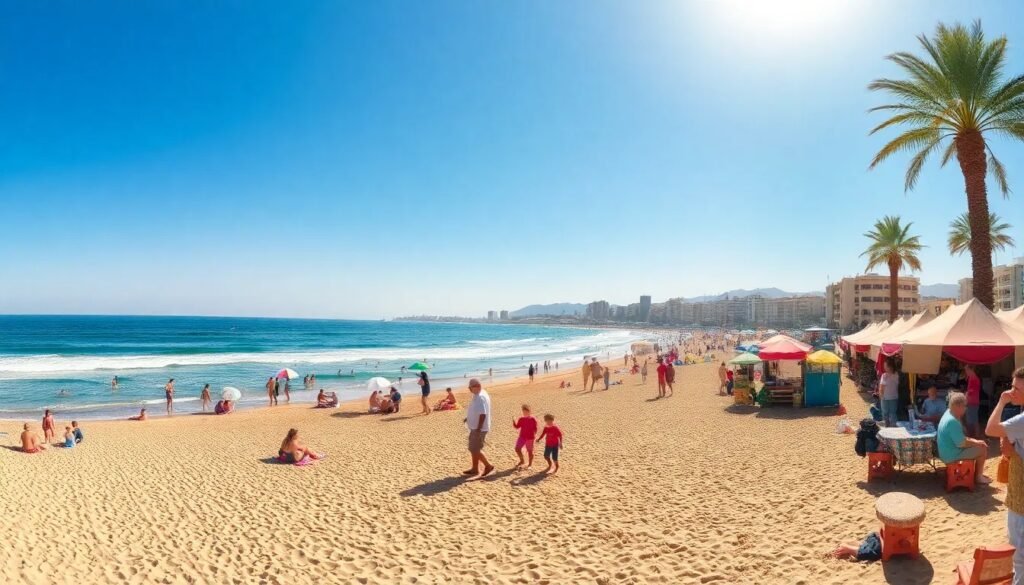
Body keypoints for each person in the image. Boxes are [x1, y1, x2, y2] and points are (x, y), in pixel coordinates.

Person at [984, 367, 1024, 583]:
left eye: (1017, 389)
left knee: (1019, 558)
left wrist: (1001, 402)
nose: (1011, 392)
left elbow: (990, 429)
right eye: (1012, 387)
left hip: (1021, 501)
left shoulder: (1021, 421)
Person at [937, 391, 991, 484]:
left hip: (945, 452)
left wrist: (974, 441)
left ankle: (975, 474)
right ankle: (979, 477)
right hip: (950, 455)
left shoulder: (948, 413)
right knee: (982, 449)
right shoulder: (952, 421)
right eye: (965, 406)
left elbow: (961, 438)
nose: (966, 408)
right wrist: (977, 442)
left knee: (978, 444)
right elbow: (961, 443)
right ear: (958, 406)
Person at [464, 378, 493, 477]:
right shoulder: (479, 394)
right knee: (474, 448)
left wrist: (478, 429)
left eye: (470, 387)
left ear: (477, 386)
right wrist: (468, 418)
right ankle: (475, 468)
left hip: (478, 429)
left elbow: (483, 414)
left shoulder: (480, 397)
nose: (469, 389)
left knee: (474, 449)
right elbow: (477, 410)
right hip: (476, 427)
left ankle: (488, 466)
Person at [513, 404, 537, 468]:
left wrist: (533, 437)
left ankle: (530, 464)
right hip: (522, 437)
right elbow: (517, 427)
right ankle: (522, 460)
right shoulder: (521, 419)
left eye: (526, 412)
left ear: (529, 412)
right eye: (524, 412)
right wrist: (514, 421)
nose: (525, 413)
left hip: (530, 438)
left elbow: (535, 428)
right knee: (517, 449)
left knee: (530, 451)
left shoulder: (533, 419)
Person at [878, 360, 899, 427]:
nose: (884, 367)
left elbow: (881, 387)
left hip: (885, 397)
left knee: (885, 414)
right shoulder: (897, 375)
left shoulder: (885, 375)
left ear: (890, 367)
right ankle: (893, 427)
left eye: (885, 366)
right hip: (894, 397)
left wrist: (881, 396)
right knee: (893, 413)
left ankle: (887, 427)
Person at [965, 364, 982, 438]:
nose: (966, 372)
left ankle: (972, 437)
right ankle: (974, 436)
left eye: (966, 370)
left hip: (972, 402)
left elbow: (971, 391)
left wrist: (965, 395)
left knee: (971, 421)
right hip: (973, 401)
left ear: (970, 369)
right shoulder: (972, 378)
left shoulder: (973, 379)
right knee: (973, 420)